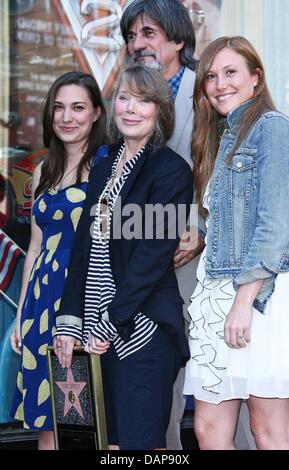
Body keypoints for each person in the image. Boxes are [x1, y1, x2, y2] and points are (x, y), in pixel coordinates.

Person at [53, 63, 193, 450]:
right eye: (125, 98)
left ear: (160, 110)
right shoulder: (103, 165)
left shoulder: (171, 171)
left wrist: (110, 323)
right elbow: (84, 250)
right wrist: (70, 321)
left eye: (144, 100)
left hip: (140, 332)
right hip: (92, 331)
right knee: (100, 443)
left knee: (139, 446)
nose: (131, 108)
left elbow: (149, 260)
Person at [184, 36, 289, 450]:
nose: (219, 84)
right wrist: (196, 234)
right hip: (215, 296)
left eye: (231, 72)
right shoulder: (221, 138)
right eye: (211, 76)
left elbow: (275, 224)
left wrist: (244, 302)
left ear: (256, 78)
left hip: (256, 297)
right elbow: (231, 224)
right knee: (208, 430)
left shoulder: (272, 128)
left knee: (268, 429)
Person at [120, 0, 205, 449]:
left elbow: (221, 174)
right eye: (131, 36)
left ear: (177, 39)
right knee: (157, 393)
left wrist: (202, 230)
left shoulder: (205, 93)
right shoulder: (127, 97)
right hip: (142, 266)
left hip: (197, 263)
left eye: (148, 33)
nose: (138, 44)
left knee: (220, 387)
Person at [10, 71, 107, 450]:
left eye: (78, 107)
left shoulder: (107, 166)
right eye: (59, 107)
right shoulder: (43, 170)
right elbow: (34, 248)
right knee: (48, 421)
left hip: (83, 299)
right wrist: (21, 314)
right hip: (40, 304)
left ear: (97, 113)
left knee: (86, 420)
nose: (67, 117)